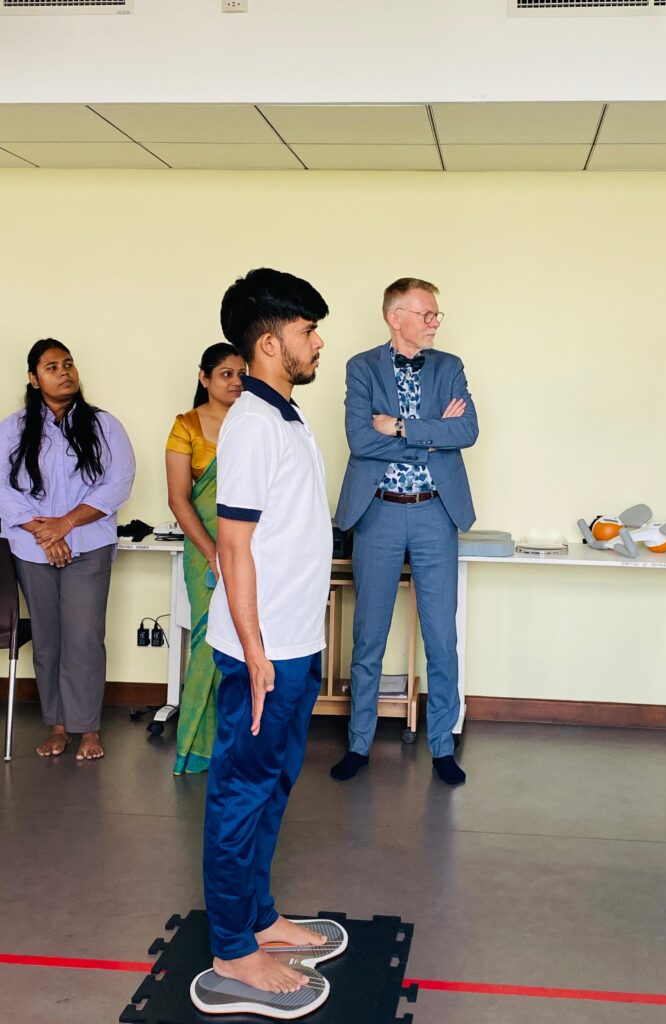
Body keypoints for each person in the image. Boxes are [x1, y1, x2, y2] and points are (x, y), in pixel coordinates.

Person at [192, 268, 346, 1017]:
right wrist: (254, 651)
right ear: (269, 342)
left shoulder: (286, 414)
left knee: (273, 784)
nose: (317, 342)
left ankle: (258, 918)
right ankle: (232, 949)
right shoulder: (252, 423)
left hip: (292, 639)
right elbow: (233, 544)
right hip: (265, 649)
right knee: (240, 791)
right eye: (307, 331)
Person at [332, 278, 478, 786]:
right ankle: (359, 743)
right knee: (369, 633)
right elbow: (359, 440)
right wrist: (434, 436)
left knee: (441, 635)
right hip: (379, 513)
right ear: (395, 317)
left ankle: (443, 746)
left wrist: (398, 427)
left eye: (436, 315)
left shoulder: (450, 366)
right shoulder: (361, 367)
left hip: (437, 512)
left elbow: (467, 432)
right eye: (427, 314)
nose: (435, 322)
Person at [0, 339, 135, 761]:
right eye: (52, 367)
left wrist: (66, 524)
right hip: (31, 547)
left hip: (88, 545)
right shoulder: (12, 428)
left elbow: (119, 482)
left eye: (69, 364)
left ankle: (88, 728)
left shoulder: (104, 425)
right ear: (33, 378)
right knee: (47, 639)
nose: (64, 372)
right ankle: (58, 727)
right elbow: (1, 487)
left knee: (85, 637)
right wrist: (45, 532)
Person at [165, 343, 246, 775]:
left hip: (250, 548)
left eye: (241, 373)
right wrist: (213, 553)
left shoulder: (254, 422)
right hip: (204, 551)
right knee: (208, 642)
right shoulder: (187, 426)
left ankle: (238, 744)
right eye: (226, 374)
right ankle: (197, 745)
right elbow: (179, 499)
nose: (236, 382)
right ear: (204, 378)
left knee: (246, 641)